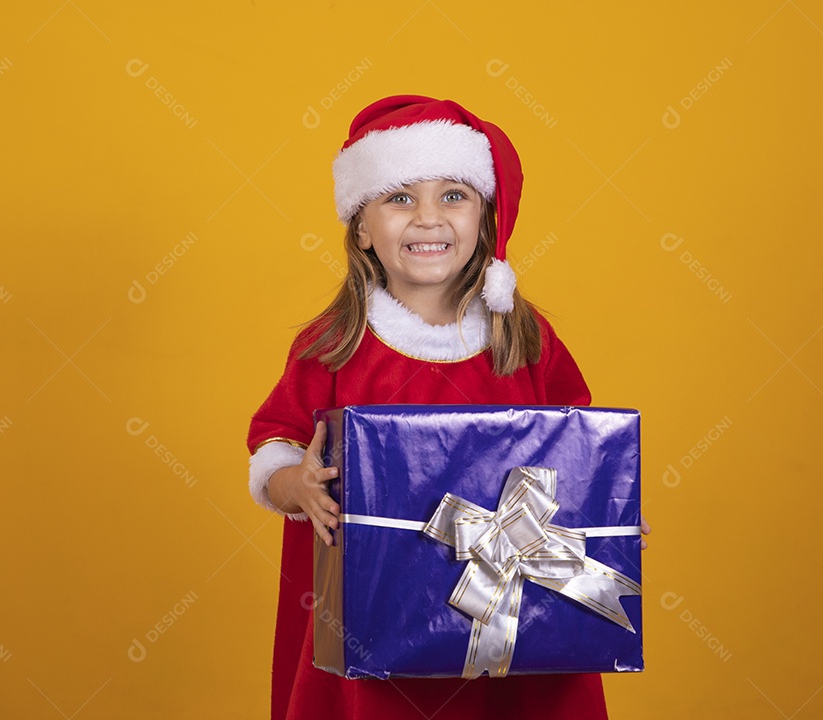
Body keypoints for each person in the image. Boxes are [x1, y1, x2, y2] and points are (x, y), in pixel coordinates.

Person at [246, 94, 651, 720]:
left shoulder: (525, 338)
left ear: (485, 217)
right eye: (400, 197)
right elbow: (274, 439)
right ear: (361, 226)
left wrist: (606, 520)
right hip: (376, 611)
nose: (428, 219)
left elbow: (580, 446)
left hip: (520, 609)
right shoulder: (332, 345)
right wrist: (293, 484)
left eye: (453, 196)